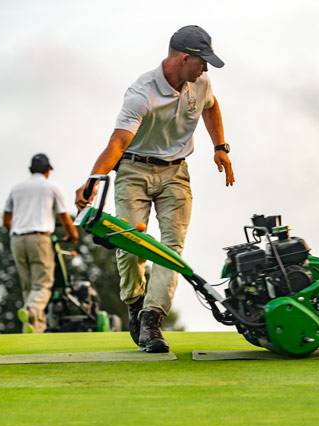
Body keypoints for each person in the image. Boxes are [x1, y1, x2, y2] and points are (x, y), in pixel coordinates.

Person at [75, 25, 234, 353]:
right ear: (184, 58)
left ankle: (152, 319)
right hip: (133, 170)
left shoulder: (200, 82)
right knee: (130, 245)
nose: (206, 69)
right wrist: (94, 180)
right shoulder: (142, 92)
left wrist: (220, 146)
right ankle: (135, 301)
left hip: (176, 173)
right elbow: (118, 142)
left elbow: (211, 106)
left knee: (170, 248)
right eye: (202, 61)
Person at [4, 153, 79, 333]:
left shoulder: (16, 189)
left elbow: (6, 220)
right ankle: (31, 311)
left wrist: (18, 231)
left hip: (16, 239)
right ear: (47, 170)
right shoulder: (51, 187)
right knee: (43, 285)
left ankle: (34, 329)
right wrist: (73, 236)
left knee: (28, 287)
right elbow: (64, 217)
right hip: (39, 239)